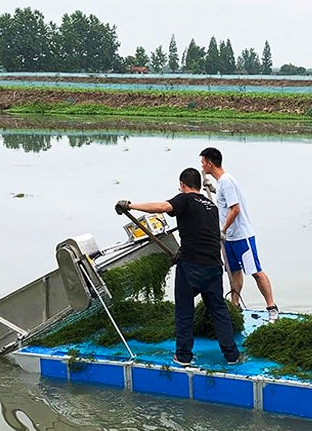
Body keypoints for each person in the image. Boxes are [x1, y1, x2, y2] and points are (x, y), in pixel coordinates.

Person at [115, 168, 241, 366]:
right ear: (199, 185)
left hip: (191, 266)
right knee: (219, 311)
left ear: (183, 184)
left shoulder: (184, 199)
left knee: (184, 311)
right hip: (214, 267)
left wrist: (131, 205)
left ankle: (183, 356)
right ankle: (232, 356)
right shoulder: (211, 206)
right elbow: (201, 231)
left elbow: (162, 207)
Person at [199, 147, 280, 323]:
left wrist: (223, 230)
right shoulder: (221, 183)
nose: (202, 166)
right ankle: (235, 306)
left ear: (210, 163)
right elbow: (224, 200)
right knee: (234, 271)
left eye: (203, 163)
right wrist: (212, 189)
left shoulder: (227, 181)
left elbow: (235, 209)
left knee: (256, 272)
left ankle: (271, 308)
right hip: (229, 239)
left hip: (241, 236)